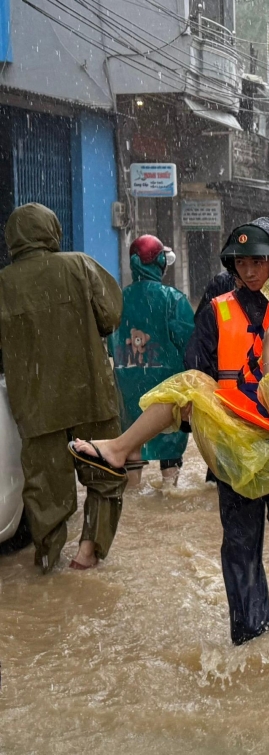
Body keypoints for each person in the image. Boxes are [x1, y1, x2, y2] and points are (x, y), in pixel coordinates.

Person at [74, 220, 269, 644]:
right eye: (241, 263)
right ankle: (251, 638)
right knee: (241, 544)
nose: (250, 271)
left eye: (258, 261)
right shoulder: (217, 310)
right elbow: (197, 370)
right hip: (236, 443)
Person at [0, 203, 126, 572]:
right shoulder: (79, 266)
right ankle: (88, 552)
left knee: (45, 491)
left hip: (36, 405)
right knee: (104, 474)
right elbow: (110, 317)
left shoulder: (4, 284)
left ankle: (47, 563)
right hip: (90, 394)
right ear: (52, 230)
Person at [109, 234, 195, 489]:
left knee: (131, 439)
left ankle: (132, 495)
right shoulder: (173, 299)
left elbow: (110, 344)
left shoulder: (117, 300)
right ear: (159, 262)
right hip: (166, 386)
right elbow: (190, 345)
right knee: (169, 441)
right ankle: (169, 492)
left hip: (128, 385)